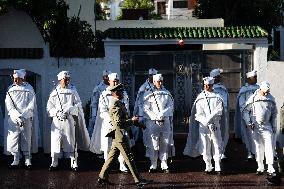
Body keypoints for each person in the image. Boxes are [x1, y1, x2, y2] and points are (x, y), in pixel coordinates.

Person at [97, 83, 151, 188]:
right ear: (116, 93)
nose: (123, 93)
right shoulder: (115, 105)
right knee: (129, 157)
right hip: (119, 135)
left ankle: (102, 177)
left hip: (118, 135)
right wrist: (131, 120)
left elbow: (123, 120)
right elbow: (118, 123)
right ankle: (138, 180)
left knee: (111, 157)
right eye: (121, 92)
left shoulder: (118, 103)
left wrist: (138, 124)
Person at [46, 71, 90, 171]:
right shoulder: (54, 93)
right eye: (64, 79)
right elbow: (49, 108)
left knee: (71, 141)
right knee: (56, 141)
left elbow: (78, 105)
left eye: (68, 79)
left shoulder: (73, 91)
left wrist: (70, 110)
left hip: (69, 120)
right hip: (57, 121)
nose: (67, 81)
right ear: (59, 80)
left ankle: (73, 162)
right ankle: (54, 162)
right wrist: (57, 113)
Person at [184, 77, 226, 174]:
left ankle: (217, 165)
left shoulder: (218, 97)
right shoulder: (200, 97)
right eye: (205, 85)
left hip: (215, 125)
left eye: (209, 85)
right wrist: (206, 121)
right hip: (203, 126)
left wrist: (210, 120)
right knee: (205, 145)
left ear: (212, 85)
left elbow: (219, 111)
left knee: (216, 144)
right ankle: (208, 166)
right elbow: (198, 114)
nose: (207, 87)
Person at [90, 72, 131, 172]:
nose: (116, 82)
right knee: (107, 145)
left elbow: (126, 107)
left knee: (122, 144)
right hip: (108, 124)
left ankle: (122, 164)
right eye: (114, 81)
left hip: (121, 123)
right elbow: (102, 110)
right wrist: (111, 120)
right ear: (109, 81)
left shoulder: (123, 93)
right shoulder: (104, 94)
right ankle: (107, 166)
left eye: (117, 81)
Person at [4, 69, 39, 169]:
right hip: (14, 118)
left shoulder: (29, 88)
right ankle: (16, 158)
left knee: (26, 137)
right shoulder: (10, 89)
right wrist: (16, 116)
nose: (15, 81)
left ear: (22, 78)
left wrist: (24, 115)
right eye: (14, 79)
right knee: (13, 138)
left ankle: (27, 158)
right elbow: (9, 106)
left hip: (26, 117)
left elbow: (31, 105)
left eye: (17, 79)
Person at [242, 81, 277, 175]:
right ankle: (260, 166)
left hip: (267, 125)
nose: (266, 93)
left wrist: (274, 126)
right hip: (255, 126)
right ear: (261, 89)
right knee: (258, 146)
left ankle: (270, 166)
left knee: (269, 145)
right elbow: (245, 111)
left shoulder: (271, 98)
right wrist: (248, 122)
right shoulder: (253, 98)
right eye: (265, 91)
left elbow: (274, 113)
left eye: (268, 92)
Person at [143, 74, 174, 173]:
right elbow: (146, 108)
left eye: (161, 81)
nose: (160, 83)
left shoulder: (167, 93)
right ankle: (153, 163)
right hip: (153, 122)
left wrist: (163, 114)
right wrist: (155, 116)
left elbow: (170, 106)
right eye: (158, 81)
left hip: (165, 121)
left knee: (165, 142)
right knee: (153, 143)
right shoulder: (148, 93)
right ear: (154, 82)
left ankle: (164, 163)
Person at [234, 70, 259, 159]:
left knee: (258, 135)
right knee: (249, 135)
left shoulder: (259, 88)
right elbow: (242, 105)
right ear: (249, 79)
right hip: (248, 115)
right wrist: (246, 117)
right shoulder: (244, 90)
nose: (256, 78)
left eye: (256, 76)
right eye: (254, 77)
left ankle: (257, 152)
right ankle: (249, 152)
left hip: (258, 115)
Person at [133, 68, 157, 146]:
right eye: (151, 75)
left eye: (154, 75)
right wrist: (141, 114)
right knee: (145, 131)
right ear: (148, 75)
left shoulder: (159, 85)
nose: (152, 77)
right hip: (145, 112)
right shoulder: (143, 87)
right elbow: (140, 102)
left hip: (156, 113)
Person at [210, 68, 229, 160]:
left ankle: (222, 151)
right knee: (214, 134)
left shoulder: (223, 88)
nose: (218, 79)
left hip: (223, 113)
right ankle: (215, 152)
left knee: (223, 132)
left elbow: (226, 101)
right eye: (217, 77)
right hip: (214, 115)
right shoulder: (210, 89)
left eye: (218, 77)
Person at [88, 70, 110, 136]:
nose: (107, 78)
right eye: (106, 76)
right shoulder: (98, 88)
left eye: (108, 77)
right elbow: (94, 103)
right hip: (100, 113)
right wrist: (94, 115)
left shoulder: (113, 86)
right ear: (103, 77)